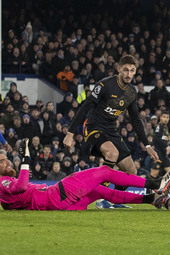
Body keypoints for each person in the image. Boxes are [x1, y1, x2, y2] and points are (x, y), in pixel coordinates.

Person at [63, 55, 159, 208]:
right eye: (126, 70)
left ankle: (112, 200)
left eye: (132, 71)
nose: (128, 74)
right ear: (119, 69)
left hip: (111, 130)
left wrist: (147, 145)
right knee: (112, 154)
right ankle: (102, 197)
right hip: (94, 127)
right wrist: (70, 133)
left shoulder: (131, 92)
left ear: (135, 72)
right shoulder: (105, 85)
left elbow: (135, 120)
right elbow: (85, 107)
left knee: (131, 170)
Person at [0, 139, 170, 210]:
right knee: (104, 171)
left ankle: (151, 200)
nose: (7, 161)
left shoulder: (5, 186)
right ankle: (155, 184)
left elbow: (18, 194)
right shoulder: (2, 182)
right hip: (55, 195)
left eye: (5, 159)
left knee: (100, 191)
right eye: (2, 161)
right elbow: (22, 186)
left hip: (58, 205)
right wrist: (26, 158)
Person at [150, 110, 170, 179]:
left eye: (167, 117)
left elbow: (163, 139)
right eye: (164, 117)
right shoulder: (159, 126)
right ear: (160, 118)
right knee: (153, 175)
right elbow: (156, 139)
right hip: (158, 153)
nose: (166, 119)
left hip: (164, 154)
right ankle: (148, 189)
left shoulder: (166, 128)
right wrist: (166, 146)